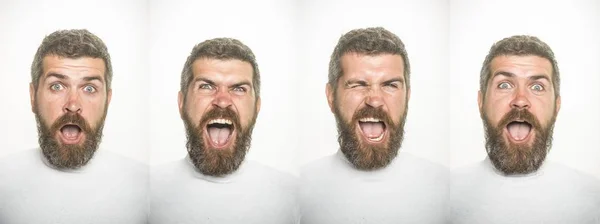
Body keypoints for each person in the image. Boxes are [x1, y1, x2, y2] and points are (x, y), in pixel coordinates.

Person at [299, 27, 448, 224]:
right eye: (359, 84)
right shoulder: (299, 189)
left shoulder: (444, 187)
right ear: (331, 97)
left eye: (390, 85)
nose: (375, 100)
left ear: (407, 96)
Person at [0, 29, 148, 223]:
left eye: (89, 88)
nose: (72, 104)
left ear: (107, 101)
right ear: (33, 97)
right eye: (57, 86)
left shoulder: (145, 188)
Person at [450, 35, 600, 223]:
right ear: (481, 102)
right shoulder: (448, 193)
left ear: (557, 105)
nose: (520, 100)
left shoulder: (593, 198)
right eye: (504, 85)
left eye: (537, 87)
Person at [149, 38, 298, 224]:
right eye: (206, 86)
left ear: (256, 107)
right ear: (182, 103)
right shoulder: (147, 191)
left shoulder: (292, 196)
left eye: (238, 89)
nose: (222, 100)